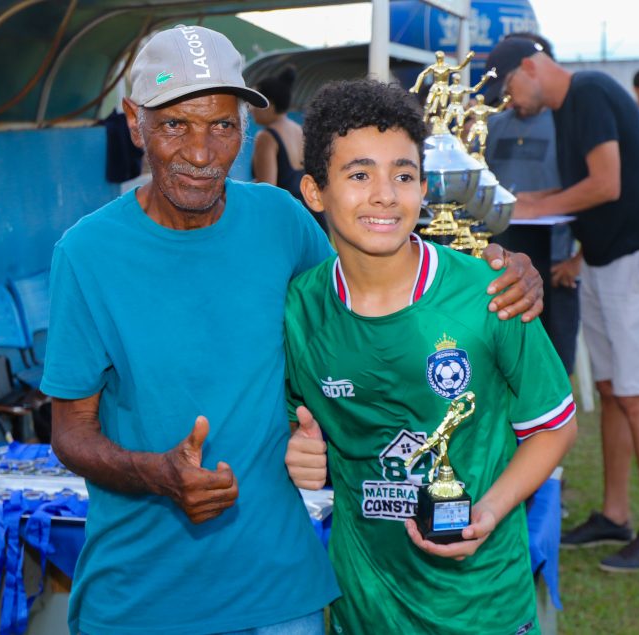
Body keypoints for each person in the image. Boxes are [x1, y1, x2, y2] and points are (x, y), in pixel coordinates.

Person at [41, 24, 545, 635]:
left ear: (245, 129)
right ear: (133, 122)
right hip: (140, 598)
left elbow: (371, 291)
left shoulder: (281, 221)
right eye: (175, 125)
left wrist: (494, 265)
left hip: (281, 594)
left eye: (222, 126)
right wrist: (156, 474)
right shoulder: (86, 253)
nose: (201, 152)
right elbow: (70, 433)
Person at [283, 79, 577, 634]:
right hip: (363, 611)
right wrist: (297, 449)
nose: (385, 195)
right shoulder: (301, 310)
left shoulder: (492, 292)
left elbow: (554, 426)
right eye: (359, 174)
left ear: (423, 187)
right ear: (315, 191)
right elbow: (291, 425)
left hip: (484, 608)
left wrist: (489, 511)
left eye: (404, 174)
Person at [485, 37, 639, 572]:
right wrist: (578, 260)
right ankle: (615, 515)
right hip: (601, 263)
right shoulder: (564, 108)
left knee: (637, 397)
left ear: (529, 66)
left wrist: (534, 204)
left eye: (508, 89)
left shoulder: (590, 91)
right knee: (611, 390)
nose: (509, 103)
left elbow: (607, 184)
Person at [485, 32, 581, 374]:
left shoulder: (566, 124)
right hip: (501, 265)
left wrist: (578, 259)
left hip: (554, 264)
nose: (510, 99)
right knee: (505, 367)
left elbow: (594, 191)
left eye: (512, 87)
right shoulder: (493, 126)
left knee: (553, 368)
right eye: (503, 92)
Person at [251, 67, 327, 233]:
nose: (251, 108)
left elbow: (267, 191)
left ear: (269, 105)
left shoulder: (266, 137)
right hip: (315, 218)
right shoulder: (298, 130)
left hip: (289, 222)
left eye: (256, 102)